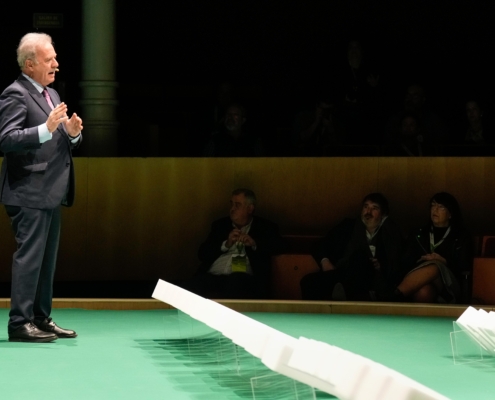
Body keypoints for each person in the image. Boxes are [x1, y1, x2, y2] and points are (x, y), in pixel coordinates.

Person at [0, 33, 83, 342]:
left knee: (46, 261)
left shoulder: (50, 94)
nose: (56, 64)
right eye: (50, 60)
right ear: (30, 64)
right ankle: (20, 323)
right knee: (30, 258)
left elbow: (60, 139)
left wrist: (72, 134)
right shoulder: (15, 93)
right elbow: (6, 139)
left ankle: (41, 318)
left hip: (51, 191)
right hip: (28, 191)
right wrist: (45, 128)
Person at [182, 188, 286, 299]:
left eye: (237, 205)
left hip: (243, 278)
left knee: (236, 281)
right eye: (231, 204)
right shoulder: (220, 225)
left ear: (250, 208)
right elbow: (202, 254)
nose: (232, 209)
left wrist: (254, 243)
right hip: (214, 275)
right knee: (189, 285)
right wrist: (225, 244)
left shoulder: (265, 227)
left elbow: (281, 247)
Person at [300, 193, 404, 301]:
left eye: (374, 208)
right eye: (366, 207)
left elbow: (397, 264)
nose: (368, 212)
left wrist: (381, 266)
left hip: (372, 279)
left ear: (383, 214)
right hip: (343, 273)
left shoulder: (390, 233)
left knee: (360, 258)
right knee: (308, 282)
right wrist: (325, 262)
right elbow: (320, 244)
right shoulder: (348, 226)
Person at [392, 192, 473, 303]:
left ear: (450, 214)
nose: (435, 210)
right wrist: (420, 261)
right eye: (433, 205)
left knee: (435, 265)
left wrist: (443, 261)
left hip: (450, 283)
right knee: (424, 292)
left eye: (441, 207)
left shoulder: (461, 236)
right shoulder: (418, 234)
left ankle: (393, 297)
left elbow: (465, 266)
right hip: (420, 279)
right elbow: (405, 260)